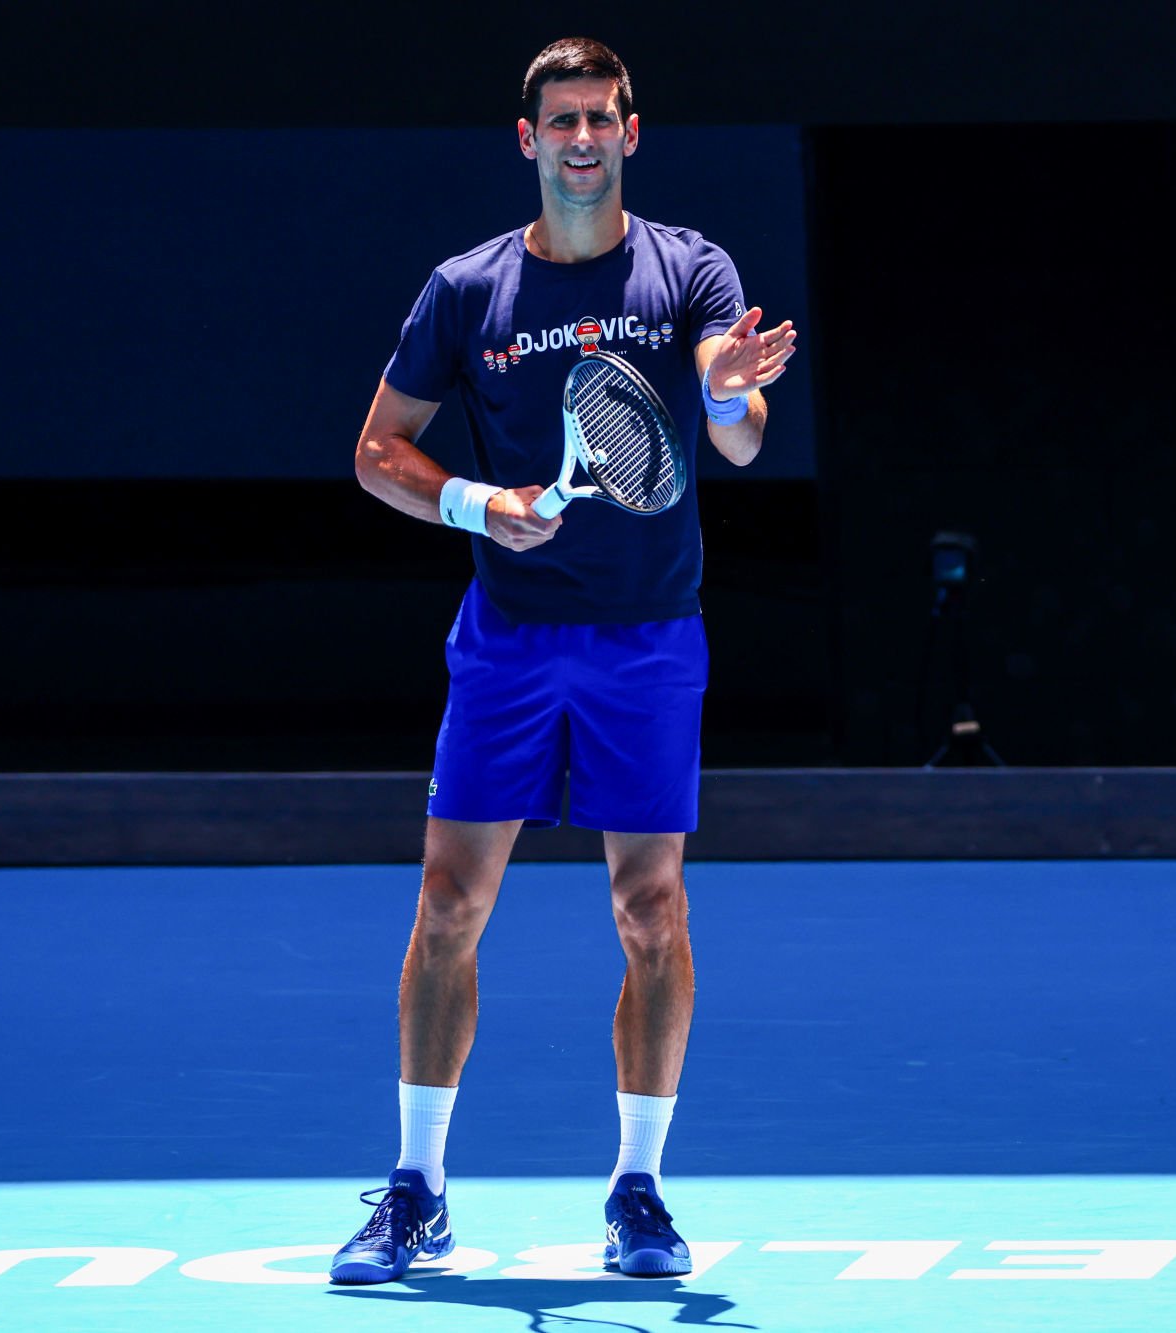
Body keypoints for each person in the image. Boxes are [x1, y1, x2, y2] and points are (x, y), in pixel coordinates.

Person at [330, 36, 796, 1284]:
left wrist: (728, 393)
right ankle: (416, 1186)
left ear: (628, 135)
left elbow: (737, 433)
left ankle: (637, 1188)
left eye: (600, 118)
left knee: (651, 910)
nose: (581, 139)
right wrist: (480, 504)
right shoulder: (466, 291)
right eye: (561, 120)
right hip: (508, 641)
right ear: (527, 139)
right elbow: (378, 452)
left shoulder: (689, 270)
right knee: (448, 903)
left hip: (647, 641)